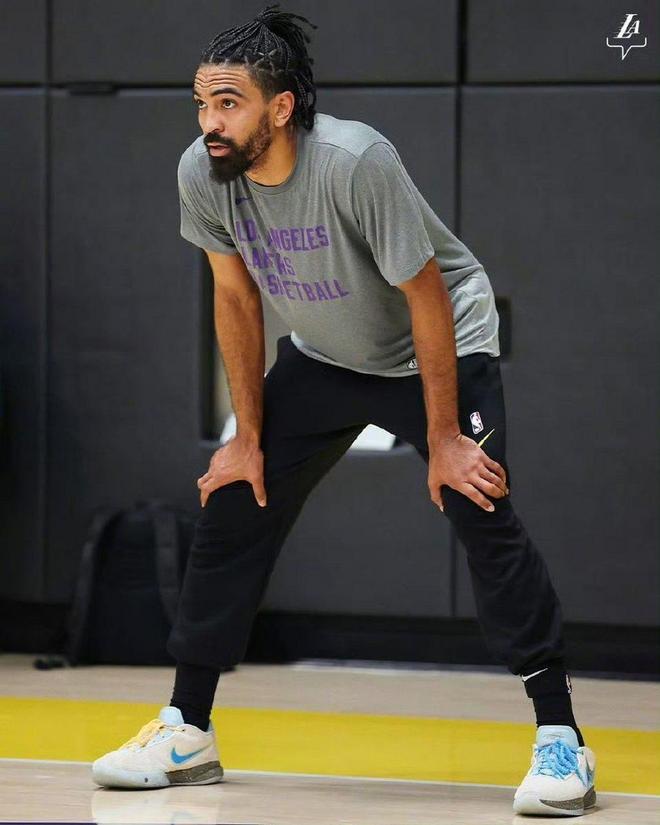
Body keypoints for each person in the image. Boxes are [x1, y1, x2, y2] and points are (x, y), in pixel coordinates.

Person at [92, 4, 596, 816]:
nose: (210, 121)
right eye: (201, 103)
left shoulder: (356, 161)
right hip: (326, 355)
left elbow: (427, 295)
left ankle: (561, 737)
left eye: (229, 103)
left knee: (479, 502)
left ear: (280, 107)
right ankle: (187, 728)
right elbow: (234, 298)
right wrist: (247, 437)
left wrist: (443, 438)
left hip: (435, 345)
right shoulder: (202, 171)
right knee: (235, 497)